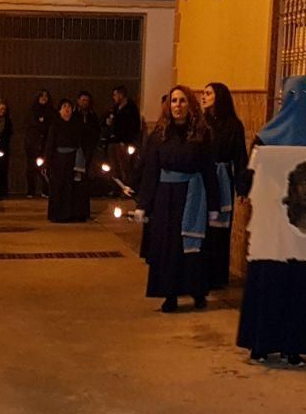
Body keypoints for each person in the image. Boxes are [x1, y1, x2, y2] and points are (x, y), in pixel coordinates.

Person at [235, 75, 306, 367]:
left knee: (268, 282)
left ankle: (261, 345)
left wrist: (244, 190)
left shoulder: (268, 135)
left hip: (272, 224)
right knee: (300, 285)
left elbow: (249, 175)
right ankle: (294, 348)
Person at [137, 86, 220, 312]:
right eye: (174, 101)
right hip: (166, 198)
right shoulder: (160, 134)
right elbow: (151, 170)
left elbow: (208, 171)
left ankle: (197, 291)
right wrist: (143, 204)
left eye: (182, 101)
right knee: (167, 247)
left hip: (192, 196)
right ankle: (169, 294)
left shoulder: (201, 135)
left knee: (192, 247)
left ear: (190, 105)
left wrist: (214, 205)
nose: (177, 106)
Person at [202, 82, 249, 289]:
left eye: (208, 93)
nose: (204, 97)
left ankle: (217, 275)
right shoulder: (201, 123)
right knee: (201, 226)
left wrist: (242, 187)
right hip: (202, 179)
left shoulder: (233, 125)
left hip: (222, 180)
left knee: (220, 230)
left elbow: (240, 157)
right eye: (204, 93)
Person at [44, 98, 92, 223]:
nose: (67, 109)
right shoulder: (55, 124)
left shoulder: (77, 124)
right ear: (59, 110)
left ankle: (75, 214)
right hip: (59, 160)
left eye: (69, 107)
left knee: (75, 187)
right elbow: (50, 144)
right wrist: (47, 162)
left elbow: (84, 141)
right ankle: (59, 214)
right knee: (60, 186)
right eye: (64, 107)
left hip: (74, 159)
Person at [104, 86, 142, 195]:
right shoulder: (115, 108)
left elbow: (134, 127)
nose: (114, 97)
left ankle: (127, 189)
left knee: (125, 167)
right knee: (114, 167)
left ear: (121, 95)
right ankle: (116, 188)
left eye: (115, 95)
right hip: (113, 141)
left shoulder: (131, 108)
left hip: (124, 142)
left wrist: (127, 141)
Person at [25, 89, 54, 198]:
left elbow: (50, 127)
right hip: (33, 144)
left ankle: (45, 191)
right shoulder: (32, 110)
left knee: (46, 168)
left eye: (46, 96)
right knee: (31, 168)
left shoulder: (51, 111)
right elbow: (32, 126)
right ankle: (30, 191)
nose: (44, 98)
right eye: (42, 96)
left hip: (46, 144)